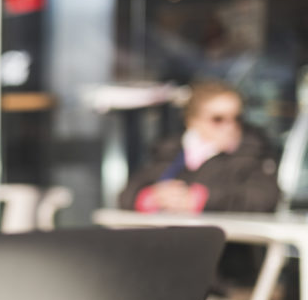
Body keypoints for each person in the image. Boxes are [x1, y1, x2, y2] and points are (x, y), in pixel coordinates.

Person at [118, 80, 280, 214]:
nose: (230, 126)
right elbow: (126, 196)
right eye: (218, 119)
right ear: (192, 121)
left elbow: (264, 198)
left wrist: (202, 199)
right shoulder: (169, 152)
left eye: (236, 118)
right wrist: (152, 197)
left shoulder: (252, 152)